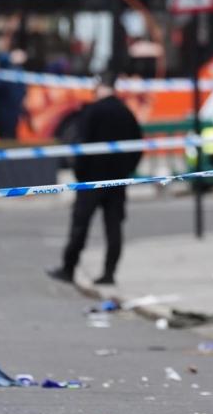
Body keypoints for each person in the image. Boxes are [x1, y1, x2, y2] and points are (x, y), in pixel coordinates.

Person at [47, 73, 143, 285]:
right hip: (117, 181)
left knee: (80, 226)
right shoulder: (126, 113)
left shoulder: (91, 112)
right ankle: (109, 273)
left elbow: (81, 146)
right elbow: (138, 147)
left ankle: (68, 268)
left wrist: (80, 174)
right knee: (114, 228)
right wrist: (126, 171)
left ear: (100, 87)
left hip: (91, 179)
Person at [0, 49, 28, 140]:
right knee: (11, 136)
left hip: (3, 112)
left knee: (5, 138)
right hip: (14, 111)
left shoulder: (3, 75)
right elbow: (24, 91)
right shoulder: (17, 72)